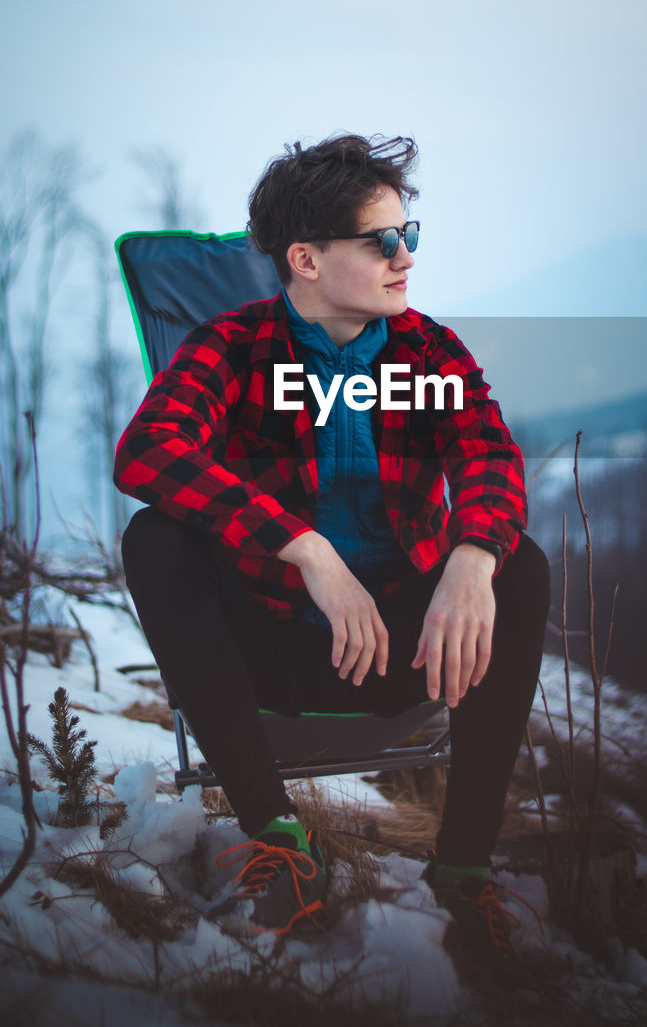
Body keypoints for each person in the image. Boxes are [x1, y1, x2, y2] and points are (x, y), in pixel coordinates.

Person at [115, 133, 550, 972]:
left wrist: (471, 556)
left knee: (514, 561)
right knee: (157, 537)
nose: (404, 257)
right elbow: (147, 453)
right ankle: (277, 842)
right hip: (269, 647)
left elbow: (489, 457)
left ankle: (462, 870)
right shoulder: (231, 348)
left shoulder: (427, 352)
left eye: (407, 234)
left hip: (401, 656)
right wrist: (304, 548)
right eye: (380, 241)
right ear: (306, 259)